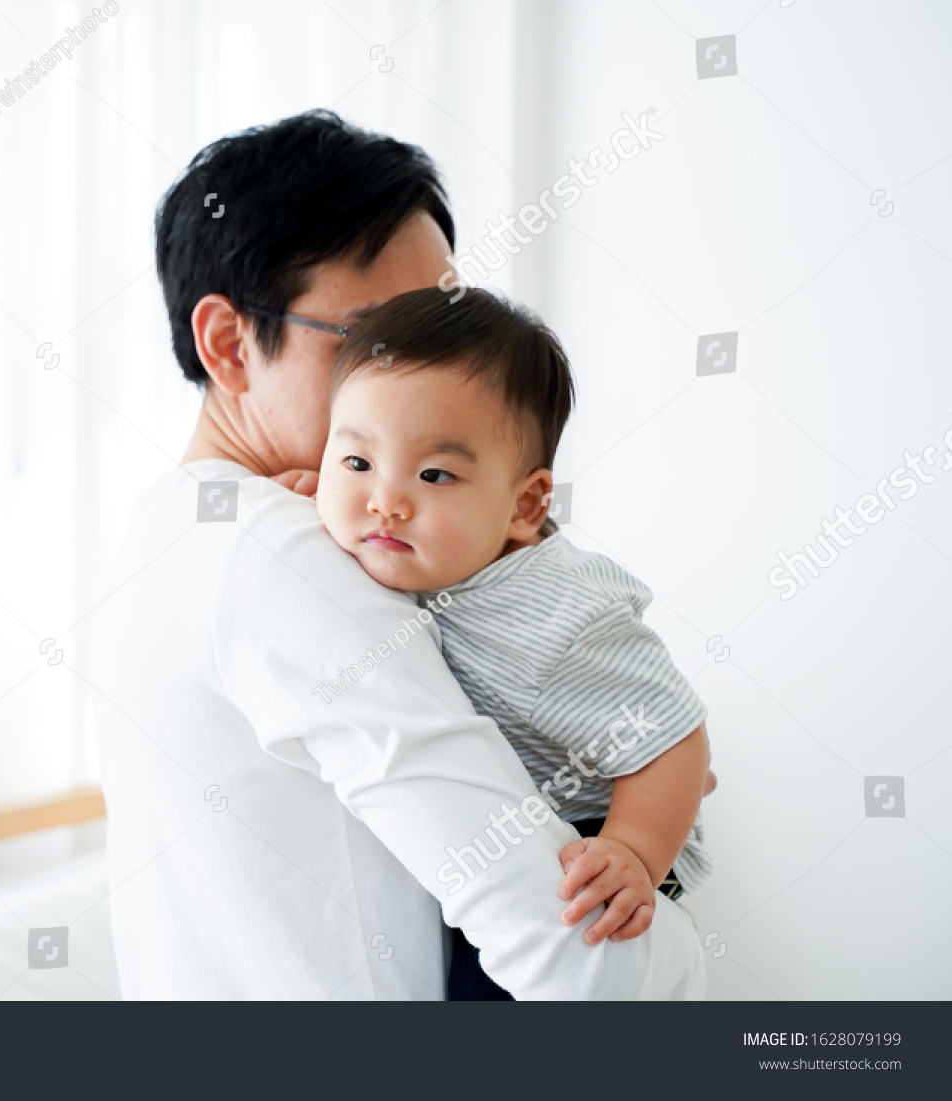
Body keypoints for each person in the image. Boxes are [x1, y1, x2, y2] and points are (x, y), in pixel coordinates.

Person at [83, 110, 705, 998]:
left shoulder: (163, 531)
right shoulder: (294, 554)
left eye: (437, 321)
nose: (419, 368)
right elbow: (583, 963)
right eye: (375, 333)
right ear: (228, 342)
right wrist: (668, 918)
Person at [285, 285, 714, 999]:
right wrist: (320, 490)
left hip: (596, 827)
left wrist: (635, 849)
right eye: (357, 462)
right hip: (501, 813)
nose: (385, 500)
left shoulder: (560, 609)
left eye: (434, 475)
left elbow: (676, 735)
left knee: (508, 970)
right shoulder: (416, 544)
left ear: (524, 506)